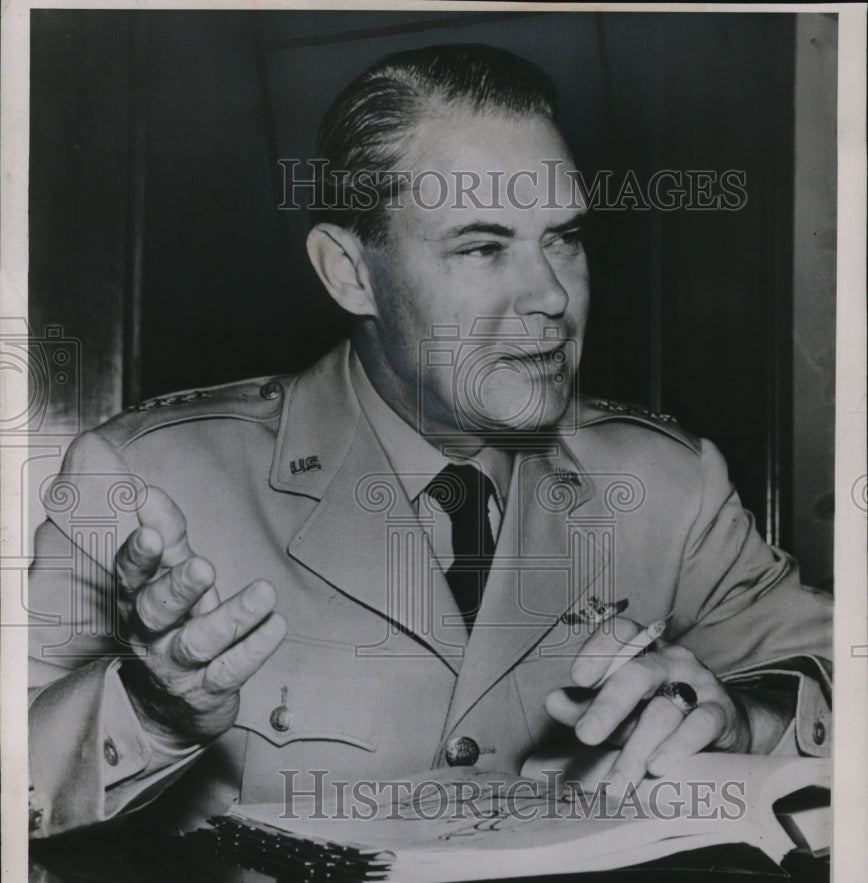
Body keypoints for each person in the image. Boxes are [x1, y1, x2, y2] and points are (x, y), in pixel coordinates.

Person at [28, 44, 831, 839]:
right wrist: (149, 709)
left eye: (565, 238)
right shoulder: (147, 480)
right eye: (482, 248)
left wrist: (746, 720)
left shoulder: (666, 483)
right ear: (349, 272)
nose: (552, 295)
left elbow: (833, 662)